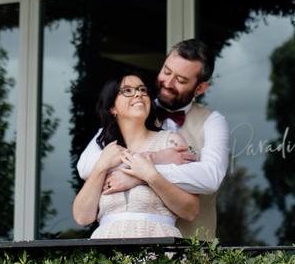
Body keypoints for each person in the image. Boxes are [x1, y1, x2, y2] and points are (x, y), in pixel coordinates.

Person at [76, 40, 228, 240]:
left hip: (192, 247)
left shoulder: (213, 122)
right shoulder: (130, 114)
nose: (168, 82)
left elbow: (210, 177)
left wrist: (140, 174)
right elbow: (87, 167)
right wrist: (157, 158)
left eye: (181, 80)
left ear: (200, 88)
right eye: (166, 71)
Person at [72, 73, 200, 239]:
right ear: (112, 108)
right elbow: (83, 217)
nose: (138, 94)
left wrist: (150, 176)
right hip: (107, 251)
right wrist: (102, 165)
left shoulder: (170, 142)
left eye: (142, 90)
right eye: (127, 90)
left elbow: (191, 211)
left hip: (159, 251)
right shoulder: (104, 152)